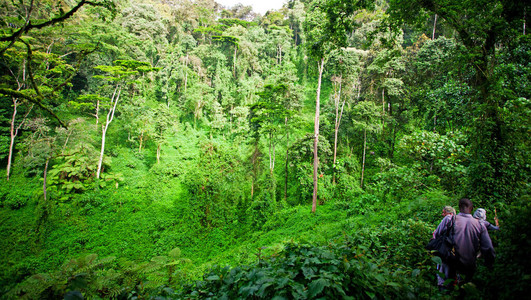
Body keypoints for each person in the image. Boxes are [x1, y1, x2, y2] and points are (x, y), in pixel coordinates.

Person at [436, 198, 495, 285]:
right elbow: (488, 247)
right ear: (471, 209)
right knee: (465, 287)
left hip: (450, 261)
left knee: (445, 287)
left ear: (459, 208)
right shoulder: (480, 224)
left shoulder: (449, 219)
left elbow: (437, 235)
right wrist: (489, 265)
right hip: (468, 263)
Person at [432, 205, 456, 290]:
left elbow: (438, 231)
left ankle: (442, 285)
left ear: (448, 212)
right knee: (450, 266)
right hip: (454, 246)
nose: (442, 214)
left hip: (445, 245)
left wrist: (434, 236)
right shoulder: (457, 219)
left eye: (444, 212)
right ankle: (450, 285)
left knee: (441, 265)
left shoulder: (447, 218)